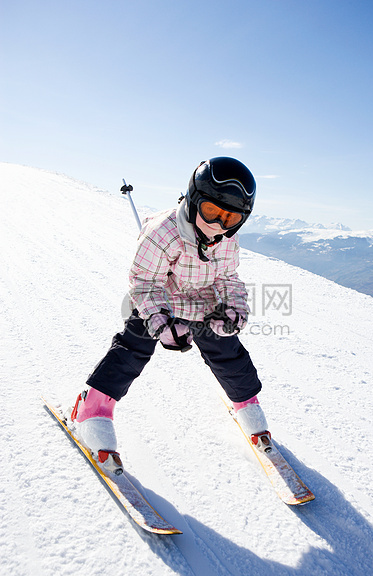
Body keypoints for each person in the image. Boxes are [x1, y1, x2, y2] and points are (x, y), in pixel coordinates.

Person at [69, 157, 271, 474]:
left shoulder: (227, 239)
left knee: (225, 345)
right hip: (160, 294)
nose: (218, 225)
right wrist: (162, 322)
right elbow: (145, 282)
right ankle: (92, 408)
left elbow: (228, 278)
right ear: (193, 201)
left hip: (199, 296)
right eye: (211, 212)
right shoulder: (163, 232)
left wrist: (232, 308)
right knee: (136, 343)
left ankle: (246, 403)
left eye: (229, 218)